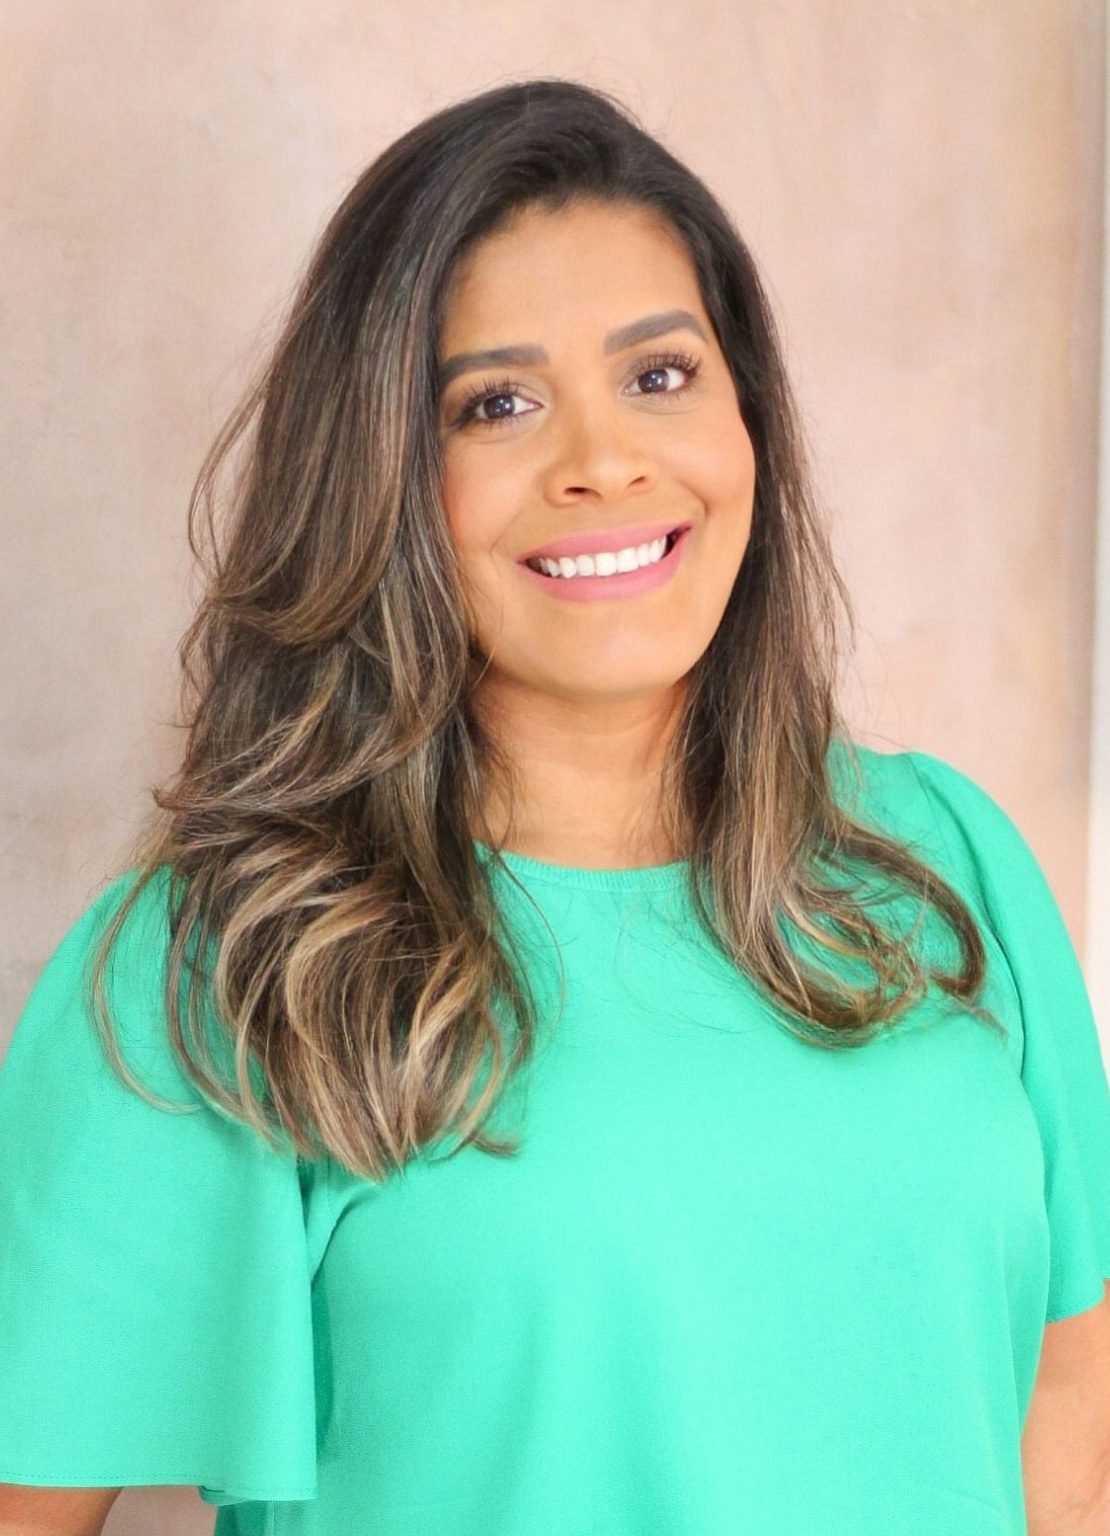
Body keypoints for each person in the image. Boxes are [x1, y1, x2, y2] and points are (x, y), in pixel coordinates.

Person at [1, 77, 1108, 1536]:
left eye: (660, 374)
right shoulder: (224, 958)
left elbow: (1070, 1415)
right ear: (381, 478)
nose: (603, 461)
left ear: (747, 416)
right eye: (498, 404)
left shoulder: (942, 861)